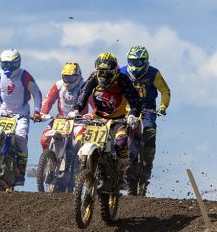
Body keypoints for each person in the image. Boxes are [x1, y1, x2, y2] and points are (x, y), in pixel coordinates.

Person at [72, 52, 144, 184]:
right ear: (96, 71)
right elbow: (83, 93)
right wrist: (76, 108)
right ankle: (83, 165)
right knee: (78, 138)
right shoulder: (93, 77)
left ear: (114, 71)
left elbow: (135, 99)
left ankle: (121, 171)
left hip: (118, 120)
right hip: (97, 119)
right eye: (101, 73)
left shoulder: (122, 79)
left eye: (108, 73)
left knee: (121, 142)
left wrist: (133, 113)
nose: (104, 76)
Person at [0, 49, 44, 187]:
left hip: (21, 112)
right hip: (1, 111)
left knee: (20, 138)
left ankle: (20, 171)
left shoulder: (24, 76)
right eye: (4, 64)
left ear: (17, 63)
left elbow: (37, 93)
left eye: (10, 65)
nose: (7, 68)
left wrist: (37, 111)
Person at [120, 46, 171, 193]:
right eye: (132, 62)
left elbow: (165, 90)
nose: (135, 65)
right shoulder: (122, 72)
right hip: (127, 110)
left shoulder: (153, 73)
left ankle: (147, 166)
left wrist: (163, 106)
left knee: (150, 133)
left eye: (138, 62)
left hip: (147, 109)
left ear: (145, 61)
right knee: (120, 137)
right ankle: (122, 172)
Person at [39, 62, 85, 182]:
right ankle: (48, 162)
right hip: (61, 119)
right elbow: (48, 100)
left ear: (78, 75)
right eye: (66, 77)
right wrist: (43, 113)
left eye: (72, 77)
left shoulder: (84, 85)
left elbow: (94, 104)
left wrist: (92, 115)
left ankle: (78, 165)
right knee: (44, 139)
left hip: (79, 120)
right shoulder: (58, 85)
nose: (69, 80)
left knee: (78, 142)